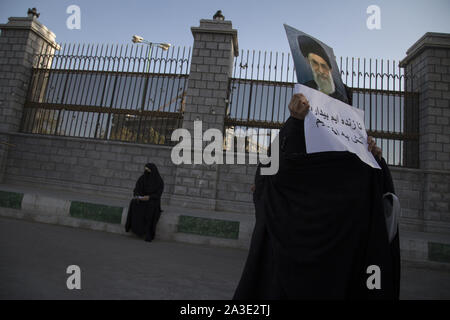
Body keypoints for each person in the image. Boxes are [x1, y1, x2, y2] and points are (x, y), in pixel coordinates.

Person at [233, 90, 400, 300]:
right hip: (340, 276)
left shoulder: (299, 150)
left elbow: (266, 178)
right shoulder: (358, 162)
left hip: (286, 276)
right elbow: (379, 201)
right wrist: (375, 160)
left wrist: (293, 123)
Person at [298, 35, 347, 102]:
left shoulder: (343, 96)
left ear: (331, 70)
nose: (320, 71)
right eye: (315, 63)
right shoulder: (304, 90)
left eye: (324, 66)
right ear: (308, 62)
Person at [125, 163, 164, 242]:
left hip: (153, 201)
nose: (146, 172)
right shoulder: (142, 178)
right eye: (145, 170)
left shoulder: (159, 181)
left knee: (151, 207)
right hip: (142, 199)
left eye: (148, 170)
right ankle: (134, 228)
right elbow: (136, 189)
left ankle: (148, 233)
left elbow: (158, 194)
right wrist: (137, 195)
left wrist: (149, 197)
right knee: (134, 203)